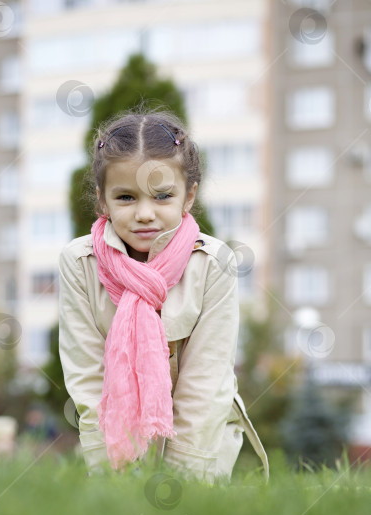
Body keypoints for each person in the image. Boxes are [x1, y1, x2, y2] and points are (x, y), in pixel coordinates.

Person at [58, 107, 269, 484]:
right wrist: (110, 473)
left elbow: (206, 380)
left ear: (188, 197)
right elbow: (87, 377)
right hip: (115, 447)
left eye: (162, 196)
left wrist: (182, 479)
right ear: (102, 200)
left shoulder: (214, 263)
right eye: (125, 197)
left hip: (200, 444)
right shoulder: (79, 263)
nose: (144, 213)